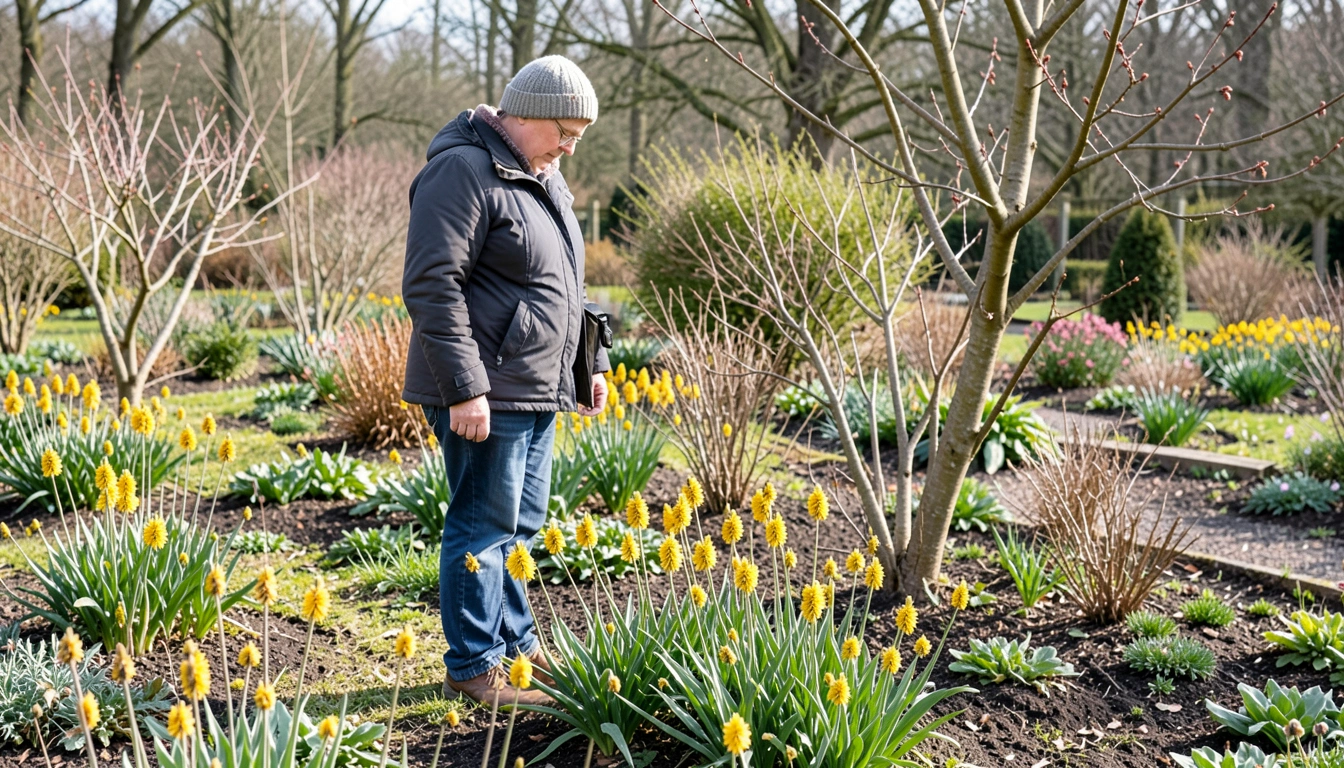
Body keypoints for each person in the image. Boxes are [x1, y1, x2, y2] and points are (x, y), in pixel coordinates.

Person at [400, 56, 609, 706]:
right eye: (565, 131)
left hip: (534, 386)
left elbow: (563, 285)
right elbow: (433, 284)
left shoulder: (542, 177)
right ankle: (474, 667)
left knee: (516, 530)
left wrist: (589, 365)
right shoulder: (463, 169)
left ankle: (519, 650)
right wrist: (465, 388)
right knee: (482, 527)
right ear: (527, 115)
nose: (572, 146)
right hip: (487, 390)